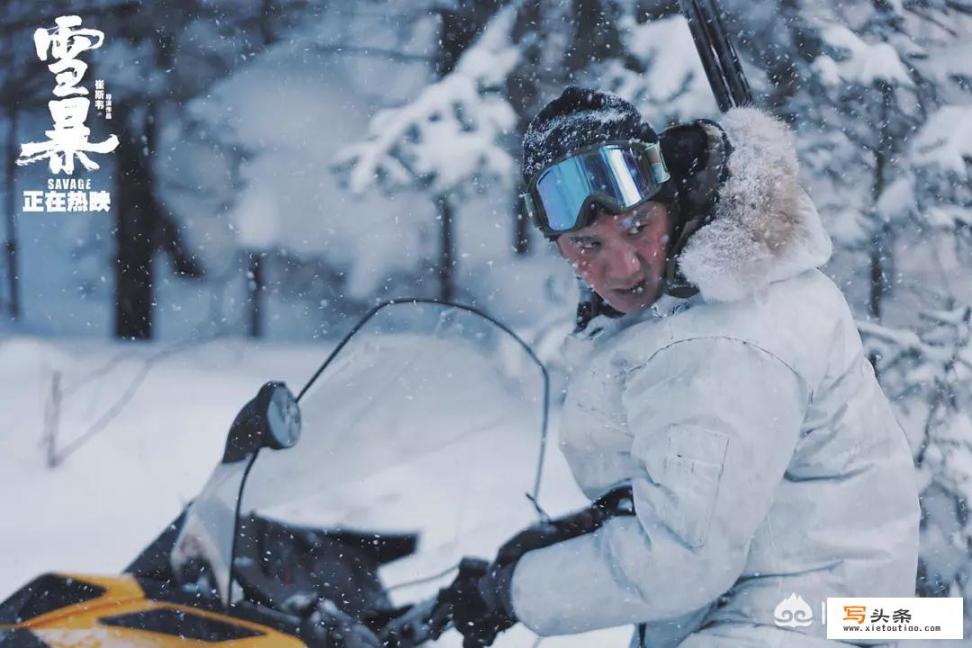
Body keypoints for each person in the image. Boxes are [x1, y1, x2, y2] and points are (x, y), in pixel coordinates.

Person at [446, 87, 920, 647]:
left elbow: (682, 559)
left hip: (809, 621)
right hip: (825, 605)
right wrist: (581, 533)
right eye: (586, 243)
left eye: (636, 226)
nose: (620, 266)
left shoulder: (722, 336)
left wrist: (514, 591)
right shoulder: (705, 295)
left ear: (670, 199)